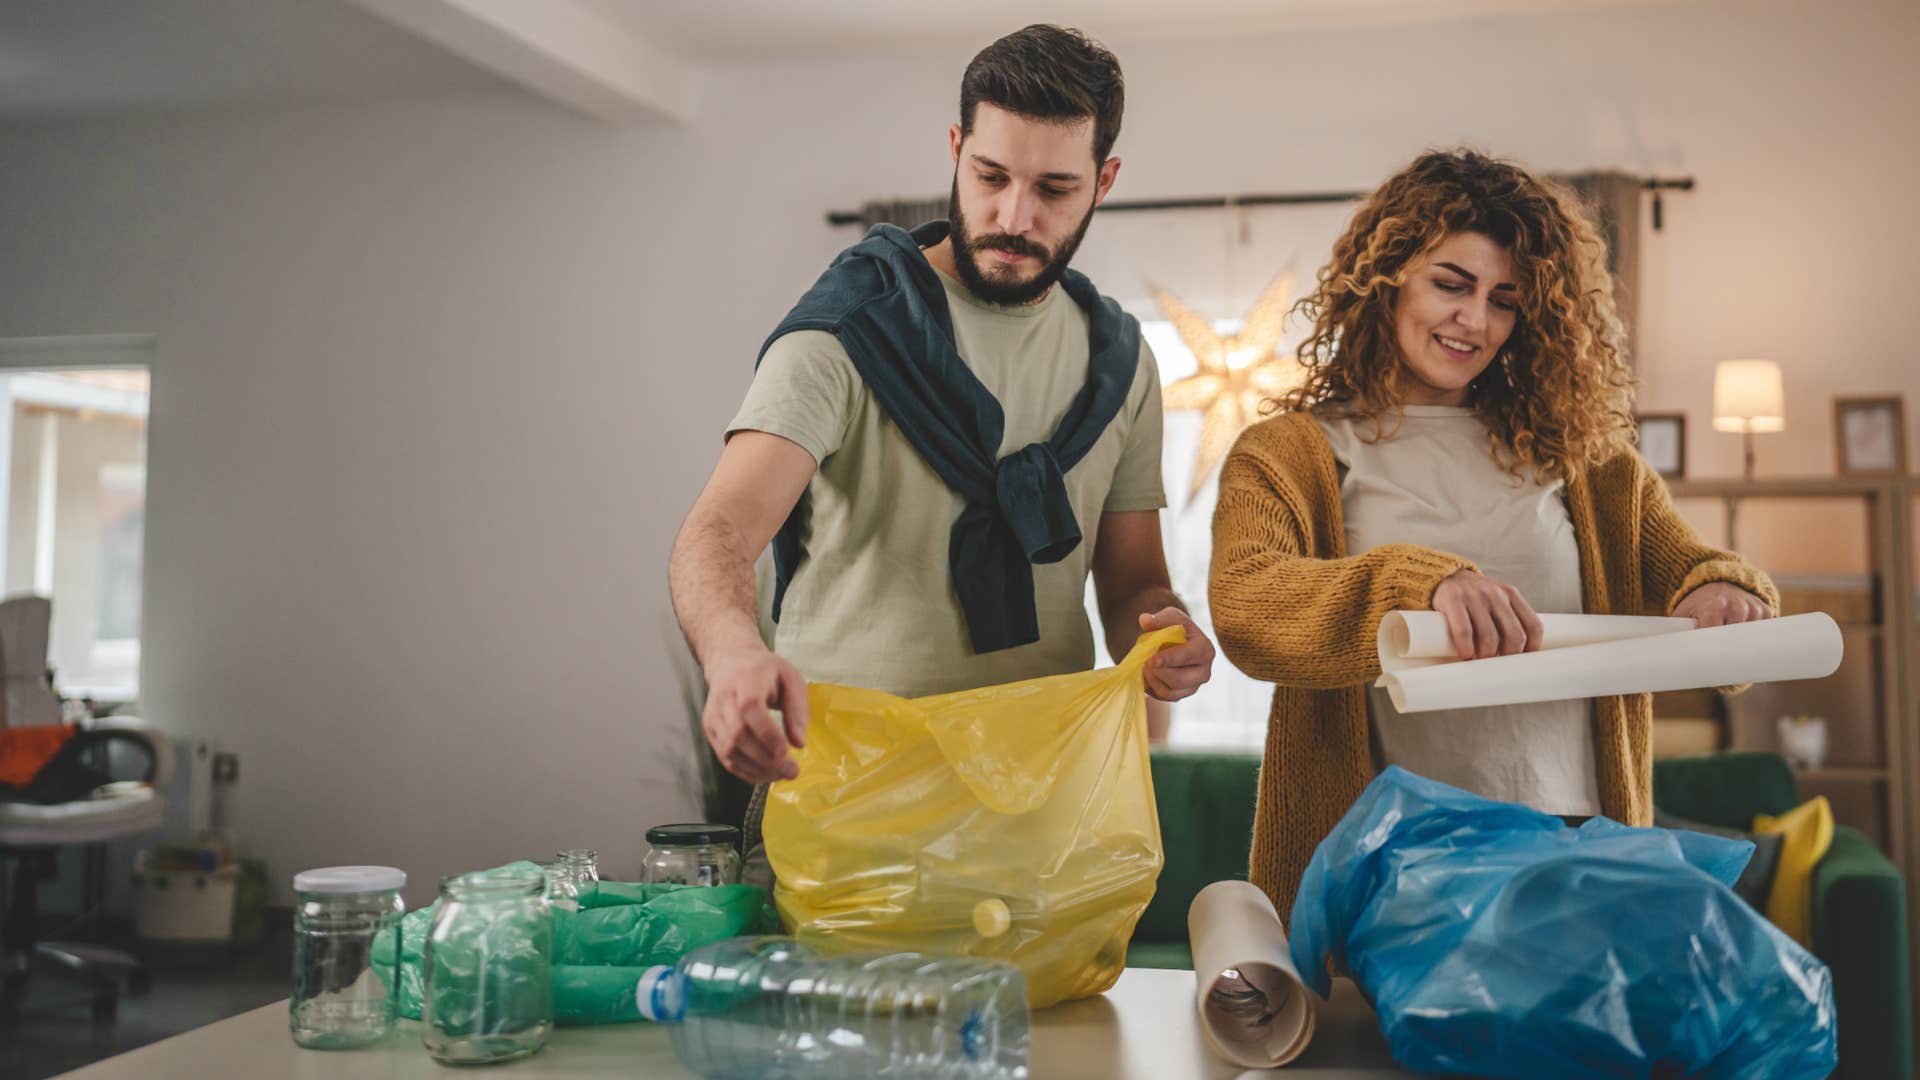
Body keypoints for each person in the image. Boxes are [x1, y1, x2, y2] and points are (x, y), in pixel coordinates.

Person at [668, 25, 1216, 874]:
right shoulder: (849, 332)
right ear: (956, 149)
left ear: (1104, 182)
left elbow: (1131, 583)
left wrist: (1163, 635)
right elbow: (719, 531)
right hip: (849, 814)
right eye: (991, 177)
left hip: (1036, 824)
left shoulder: (1122, 362)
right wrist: (736, 655)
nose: (1013, 216)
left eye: (1055, 189)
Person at [1209, 149, 1777, 922]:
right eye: (1451, 284)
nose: (1474, 321)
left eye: (1504, 300)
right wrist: (1421, 585)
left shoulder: (1588, 464)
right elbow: (1248, 602)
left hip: (1577, 849)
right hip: (1393, 867)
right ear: (1385, 279)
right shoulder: (1290, 453)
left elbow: (1694, 568)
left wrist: (1722, 588)